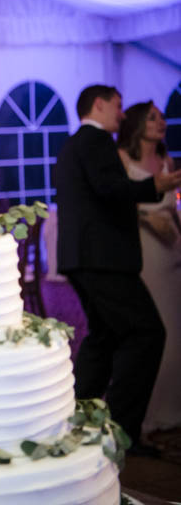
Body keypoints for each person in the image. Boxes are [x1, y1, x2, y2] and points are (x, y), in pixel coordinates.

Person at [55, 84, 181, 454]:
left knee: (104, 338)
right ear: (99, 105)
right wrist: (154, 185)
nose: (123, 115)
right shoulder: (95, 142)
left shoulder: (73, 144)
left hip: (84, 258)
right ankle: (122, 431)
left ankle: (77, 421)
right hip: (104, 259)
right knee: (147, 334)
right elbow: (110, 188)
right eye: (118, 106)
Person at [117, 101, 181, 433]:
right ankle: (147, 412)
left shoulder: (167, 161)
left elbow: (173, 209)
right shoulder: (123, 159)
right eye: (152, 117)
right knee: (152, 332)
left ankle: (173, 408)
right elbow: (115, 202)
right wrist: (145, 216)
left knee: (176, 332)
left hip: (172, 252)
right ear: (139, 124)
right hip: (144, 253)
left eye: (162, 118)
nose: (161, 122)